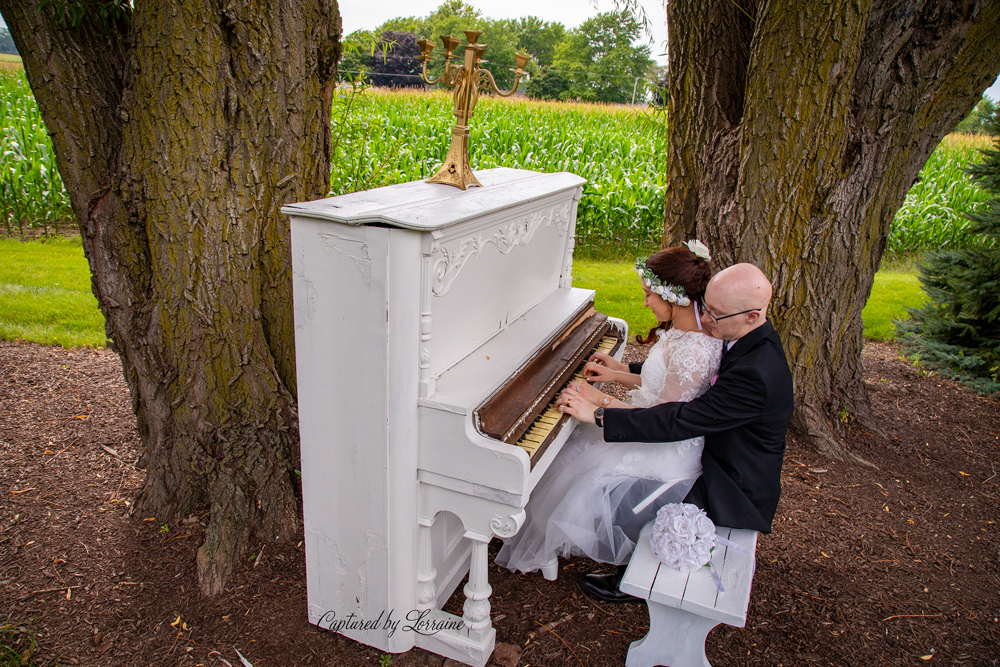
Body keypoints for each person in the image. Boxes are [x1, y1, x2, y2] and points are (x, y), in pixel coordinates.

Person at [559, 262, 794, 603]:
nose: (705, 319)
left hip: (731, 480)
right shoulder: (740, 337)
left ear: (753, 316)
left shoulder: (757, 373)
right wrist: (627, 372)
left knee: (619, 486)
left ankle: (644, 575)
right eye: (707, 307)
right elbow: (689, 379)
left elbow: (680, 419)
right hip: (708, 443)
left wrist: (600, 413)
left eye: (716, 314)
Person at [494, 242, 723, 580]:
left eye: (649, 294)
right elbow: (657, 383)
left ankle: (544, 545)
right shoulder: (685, 331)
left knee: (574, 468)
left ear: (673, 296)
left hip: (664, 449)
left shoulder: (696, 351)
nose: (645, 301)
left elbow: (660, 418)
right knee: (567, 453)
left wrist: (596, 403)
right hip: (647, 424)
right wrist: (616, 373)